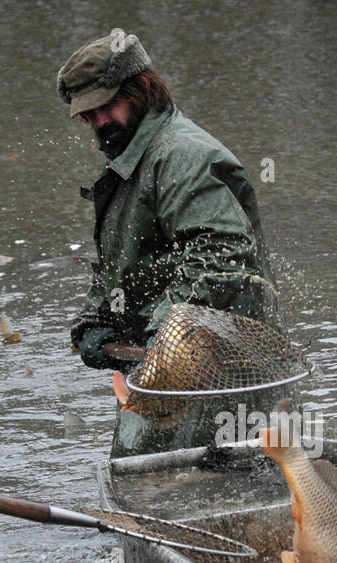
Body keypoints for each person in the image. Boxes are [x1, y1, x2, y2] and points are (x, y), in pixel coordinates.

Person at [57, 32, 285, 455]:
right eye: (89, 115)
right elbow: (123, 260)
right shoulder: (132, 160)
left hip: (221, 374)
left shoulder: (182, 156)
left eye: (107, 106)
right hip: (163, 375)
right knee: (147, 486)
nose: (99, 121)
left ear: (142, 88)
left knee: (204, 496)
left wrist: (164, 336)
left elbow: (222, 255)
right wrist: (95, 318)